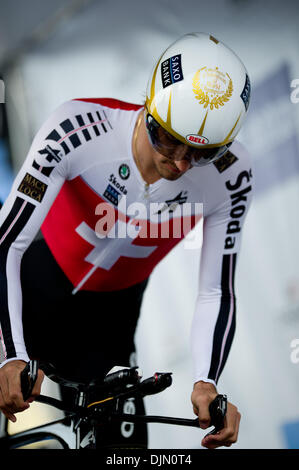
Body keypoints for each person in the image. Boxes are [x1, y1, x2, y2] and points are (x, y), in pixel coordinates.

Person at [0, 32, 253, 449]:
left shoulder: (230, 174)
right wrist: (10, 351)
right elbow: (7, 244)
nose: (179, 163)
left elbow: (216, 289)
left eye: (200, 153)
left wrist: (207, 381)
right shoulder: (77, 127)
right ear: (149, 106)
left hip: (107, 328)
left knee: (124, 456)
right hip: (27, 292)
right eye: (168, 138)